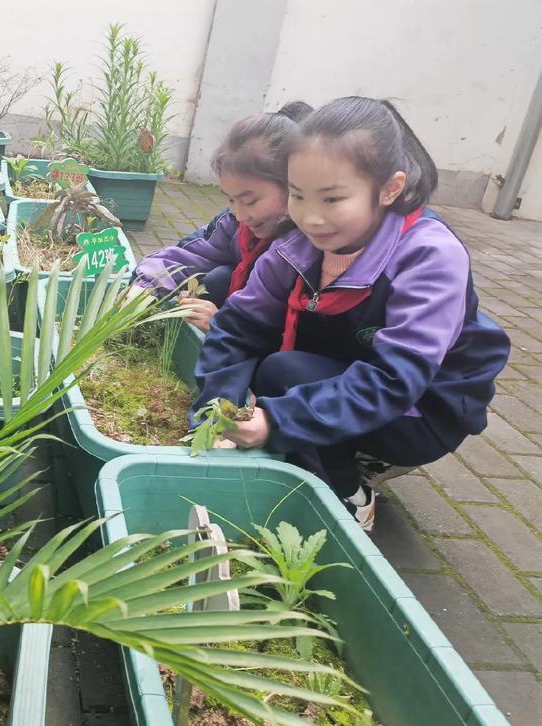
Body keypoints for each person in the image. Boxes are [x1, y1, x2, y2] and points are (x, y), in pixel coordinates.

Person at [191, 96, 510, 531]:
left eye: (333, 198)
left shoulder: (429, 256)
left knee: (285, 375)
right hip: (353, 367)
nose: (311, 218)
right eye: (298, 197)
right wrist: (213, 412)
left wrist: (278, 421)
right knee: (275, 368)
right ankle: (312, 449)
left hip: (423, 406)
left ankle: (350, 495)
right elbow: (237, 327)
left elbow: (396, 379)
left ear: (389, 188)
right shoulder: (297, 245)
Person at [128, 101, 312, 332]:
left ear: (292, 187)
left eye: (250, 201)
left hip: (275, 341)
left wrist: (222, 326)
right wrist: (144, 287)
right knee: (218, 279)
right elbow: (189, 254)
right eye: (230, 199)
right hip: (245, 323)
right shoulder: (233, 224)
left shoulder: (308, 245)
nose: (240, 214)